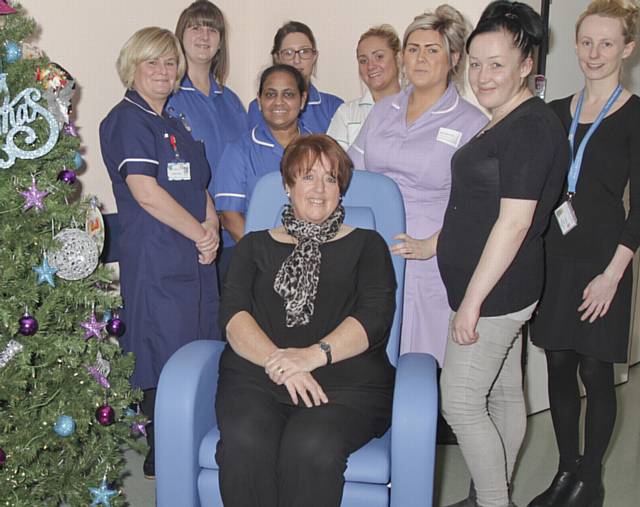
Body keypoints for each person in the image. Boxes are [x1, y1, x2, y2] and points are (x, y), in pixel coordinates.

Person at [214, 134, 396, 507]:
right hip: (258, 377)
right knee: (244, 443)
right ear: (287, 185)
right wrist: (283, 364)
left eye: (331, 179)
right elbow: (233, 315)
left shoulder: (368, 244)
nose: (319, 188)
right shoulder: (254, 245)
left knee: (310, 446)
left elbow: (375, 316)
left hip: (346, 385)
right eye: (307, 176)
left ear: (341, 189)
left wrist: (310, 357)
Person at [435, 2, 569, 506]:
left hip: (496, 290)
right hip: (501, 283)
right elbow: (481, 206)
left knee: (462, 401)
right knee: (506, 394)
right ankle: (488, 496)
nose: (483, 75)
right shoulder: (504, 120)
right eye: (476, 62)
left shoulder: (530, 126)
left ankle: (493, 502)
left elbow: (514, 224)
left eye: (497, 64)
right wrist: (436, 244)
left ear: (526, 66)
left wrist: (470, 303)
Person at [528, 2, 640, 506]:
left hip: (604, 263)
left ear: (627, 50)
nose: (595, 53)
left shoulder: (636, 116)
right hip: (555, 259)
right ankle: (564, 471)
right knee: (557, 365)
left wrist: (614, 275)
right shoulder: (553, 114)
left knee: (595, 371)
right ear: (575, 45)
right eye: (587, 42)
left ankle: (590, 479)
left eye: (608, 43)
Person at [100, 27, 220, 479]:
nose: (163, 71)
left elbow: (198, 185)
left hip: (192, 253)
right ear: (132, 68)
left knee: (200, 340)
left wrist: (211, 227)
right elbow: (146, 193)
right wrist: (200, 234)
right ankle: (162, 453)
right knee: (164, 350)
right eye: (152, 62)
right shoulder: (127, 120)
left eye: (171, 63)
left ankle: (193, 436)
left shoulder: (175, 121)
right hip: (157, 256)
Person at [349, 5, 487, 366]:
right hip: (373, 250)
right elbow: (351, 174)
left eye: (432, 49)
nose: (420, 58)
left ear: (454, 57)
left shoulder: (472, 123)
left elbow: (479, 210)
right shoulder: (382, 111)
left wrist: (432, 245)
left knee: (421, 365)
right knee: (368, 359)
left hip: (431, 259)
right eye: (413, 49)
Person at [166, 0, 248, 283]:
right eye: (195, 27)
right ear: (181, 36)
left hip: (236, 235)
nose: (204, 36)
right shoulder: (168, 98)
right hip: (193, 234)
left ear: (220, 42)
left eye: (212, 30)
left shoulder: (232, 101)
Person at [213, 64, 311, 276]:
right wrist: (269, 259)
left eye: (288, 94)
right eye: (270, 94)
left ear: (302, 100)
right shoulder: (239, 150)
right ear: (259, 101)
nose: (278, 102)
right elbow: (230, 216)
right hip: (255, 262)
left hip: (311, 260)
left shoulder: (319, 149)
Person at [247, 21, 343, 133]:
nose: (297, 60)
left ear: (314, 56)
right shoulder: (260, 106)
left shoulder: (333, 107)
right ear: (277, 58)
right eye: (288, 53)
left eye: (304, 51)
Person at [327, 24, 401, 150]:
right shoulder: (346, 114)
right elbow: (333, 162)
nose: (371, 66)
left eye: (379, 57)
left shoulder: (417, 107)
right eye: (363, 61)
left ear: (398, 58)